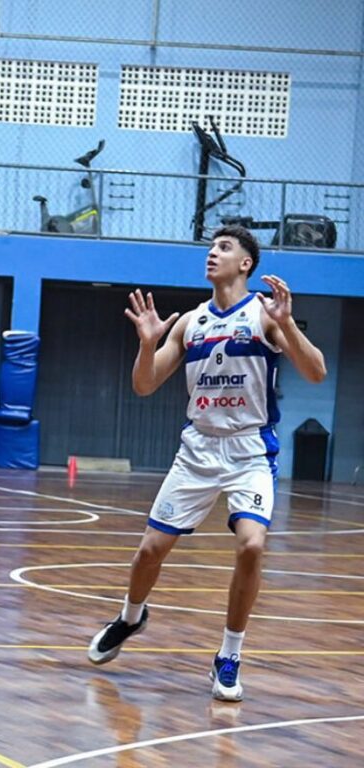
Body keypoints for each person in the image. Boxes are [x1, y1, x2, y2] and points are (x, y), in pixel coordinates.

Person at [87, 225, 327, 702]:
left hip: (249, 450)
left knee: (252, 546)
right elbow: (145, 384)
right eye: (211, 247)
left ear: (246, 264)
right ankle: (130, 618)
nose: (212, 254)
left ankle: (230, 655)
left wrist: (289, 324)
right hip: (197, 450)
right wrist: (147, 343)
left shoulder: (265, 315)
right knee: (150, 552)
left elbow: (317, 370)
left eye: (224, 248)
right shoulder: (190, 322)